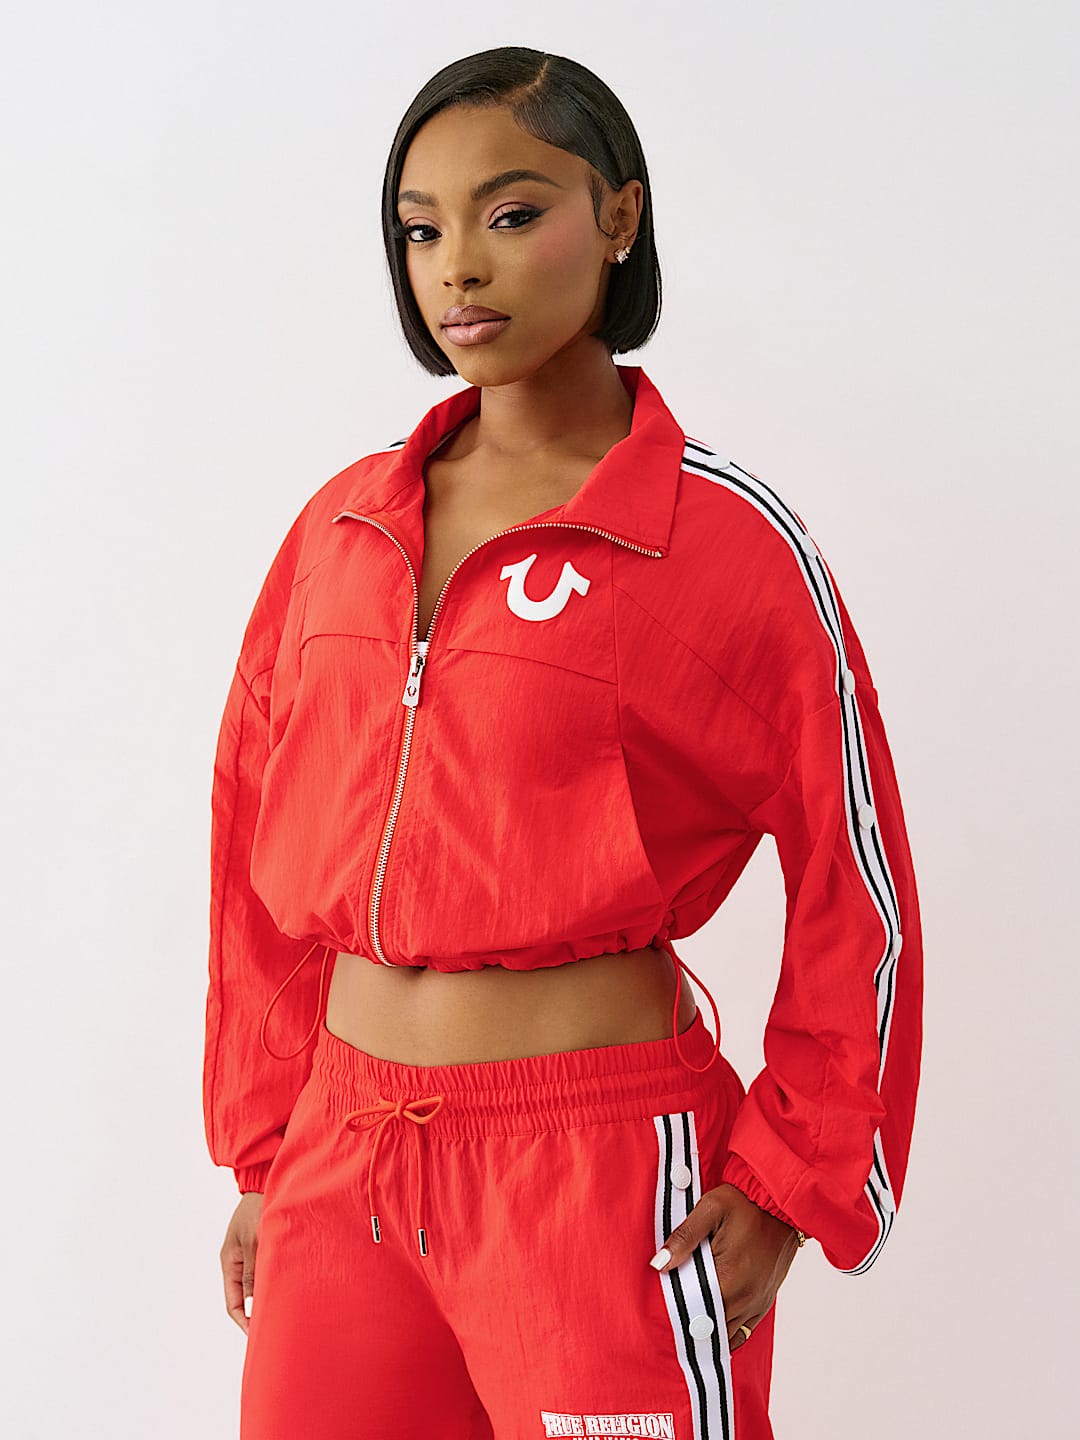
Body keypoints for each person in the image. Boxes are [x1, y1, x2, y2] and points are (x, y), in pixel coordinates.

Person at [203, 45, 923, 1440]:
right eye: (422, 230)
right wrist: (266, 1146)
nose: (459, 267)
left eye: (513, 213)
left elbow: (859, 878)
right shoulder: (343, 527)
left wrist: (795, 1175)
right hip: (340, 1164)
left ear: (620, 217)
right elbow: (253, 836)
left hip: (597, 1166)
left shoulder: (721, 541)